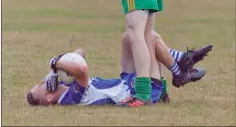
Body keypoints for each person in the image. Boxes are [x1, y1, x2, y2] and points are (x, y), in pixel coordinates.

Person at [26, 32, 211, 107]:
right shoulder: (69, 98)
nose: (43, 81)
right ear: (49, 96)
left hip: (126, 81)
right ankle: (179, 72)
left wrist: (53, 69)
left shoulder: (65, 81)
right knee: (149, 38)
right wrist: (55, 62)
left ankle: (180, 61)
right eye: (40, 85)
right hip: (136, 90)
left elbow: (79, 52)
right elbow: (81, 69)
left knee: (129, 37)